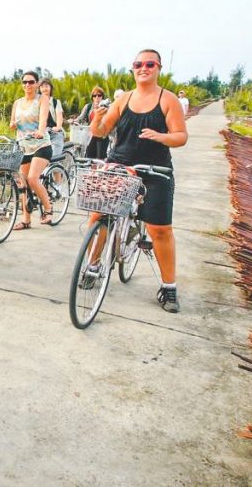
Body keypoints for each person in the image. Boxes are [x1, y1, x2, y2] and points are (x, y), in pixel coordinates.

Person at [87, 49, 188, 312]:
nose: (143, 68)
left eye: (149, 64)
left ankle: (168, 287)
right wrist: (97, 119)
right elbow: (100, 131)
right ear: (132, 68)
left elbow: (180, 136)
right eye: (138, 64)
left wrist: (161, 137)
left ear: (158, 68)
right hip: (120, 165)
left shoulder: (168, 100)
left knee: (159, 230)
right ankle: (92, 265)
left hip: (155, 170)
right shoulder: (124, 100)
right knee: (98, 216)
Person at [8, 70, 54, 229]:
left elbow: (43, 119)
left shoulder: (43, 99)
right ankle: (26, 219)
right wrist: (13, 125)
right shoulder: (17, 103)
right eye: (25, 82)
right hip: (23, 145)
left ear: (36, 84)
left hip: (41, 145)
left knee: (33, 178)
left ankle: (48, 208)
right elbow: (12, 123)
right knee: (23, 183)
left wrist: (41, 131)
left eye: (31, 82)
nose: (28, 85)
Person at [76, 86, 111, 159]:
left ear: (102, 97)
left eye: (99, 95)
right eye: (94, 96)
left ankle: (100, 170)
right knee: (89, 157)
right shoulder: (88, 107)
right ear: (92, 97)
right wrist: (74, 121)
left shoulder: (106, 107)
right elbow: (80, 118)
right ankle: (91, 170)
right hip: (90, 135)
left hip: (102, 136)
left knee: (100, 158)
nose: (97, 97)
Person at [40, 78, 65, 159]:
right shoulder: (36, 102)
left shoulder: (55, 102)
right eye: (42, 87)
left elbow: (59, 116)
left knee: (54, 156)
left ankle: (56, 170)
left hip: (54, 132)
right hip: (42, 133)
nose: (44, 89)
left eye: (46, 86)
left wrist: (58, 127)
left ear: (50, 88)